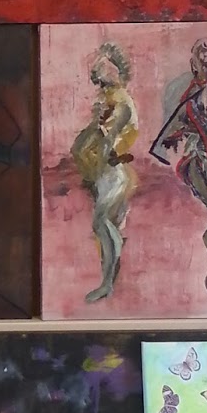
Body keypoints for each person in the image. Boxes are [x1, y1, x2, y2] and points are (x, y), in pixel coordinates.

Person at [149, 36, 207, 306]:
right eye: (200, 58)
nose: (203, 64)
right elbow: (174, 130)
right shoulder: (190, 101)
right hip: (198, 162)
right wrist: (179, 140)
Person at [69, 40, 139, 303]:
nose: (100, 71)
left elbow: (109, 140)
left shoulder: (122, 103)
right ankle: (108, 283)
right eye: (99, 67)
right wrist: (94, 126)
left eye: (105, 66)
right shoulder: (107, 101)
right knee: (106, 231)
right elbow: (82, 145)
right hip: (102, 175)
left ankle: (108, 284)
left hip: (114, 174)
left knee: (101, 223)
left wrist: (99, 127)